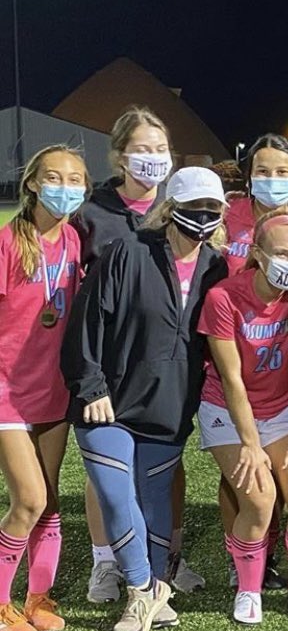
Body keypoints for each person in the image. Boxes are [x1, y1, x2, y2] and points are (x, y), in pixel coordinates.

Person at [62, 167, 228, 631]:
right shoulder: (126, 252)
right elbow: (88, 321)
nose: (202, 216)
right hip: (107, 404)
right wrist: (91, 386)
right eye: (193, 206)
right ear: (170, 208)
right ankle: (138, 590)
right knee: (116, 496)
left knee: (155, 503)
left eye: (212, 209)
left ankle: (156, 587)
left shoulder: (216, 266)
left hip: (170, 406)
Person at [71, 107, 204, 602]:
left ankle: (165, 554)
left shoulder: (182, 208)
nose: (152, 159)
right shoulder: (94, 213)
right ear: (120, 154)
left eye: (160, 149)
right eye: (142, 149)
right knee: (106, 470)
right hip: (110, 361)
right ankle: (107, 561)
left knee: (165, 469)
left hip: (164, 368)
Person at [198, 214, 288, 626]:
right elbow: (231, 377)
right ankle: (248, 589)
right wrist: (251, 444)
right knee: (259, 498)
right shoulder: (224, 297)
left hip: (283, 408)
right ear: (257, 254)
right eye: (283, 254)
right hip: (228, 411)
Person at [0, 146, 87, 631]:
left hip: (52, 390)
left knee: (50, 499)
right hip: (8, 389)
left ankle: (38, 598)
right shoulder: (8, 243)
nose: (65, 187)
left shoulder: (73, 239)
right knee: (28, 499)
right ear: (32, 183)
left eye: (75, 179)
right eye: (54, 177)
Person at [223, 133, 288, 274]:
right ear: (249, 177)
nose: (272, 179)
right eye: (262, 171)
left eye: (282, 172)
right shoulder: (227, 215)